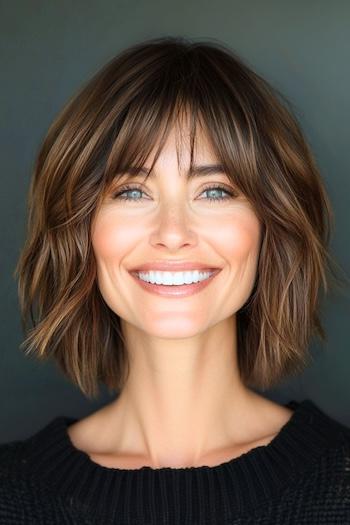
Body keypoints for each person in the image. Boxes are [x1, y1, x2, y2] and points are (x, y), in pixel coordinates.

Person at [1, 36, 349, 524]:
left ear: (273, 224)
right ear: (80, 228)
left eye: (213, 191)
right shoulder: (10, 499)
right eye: (130, 191)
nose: (172, 233)